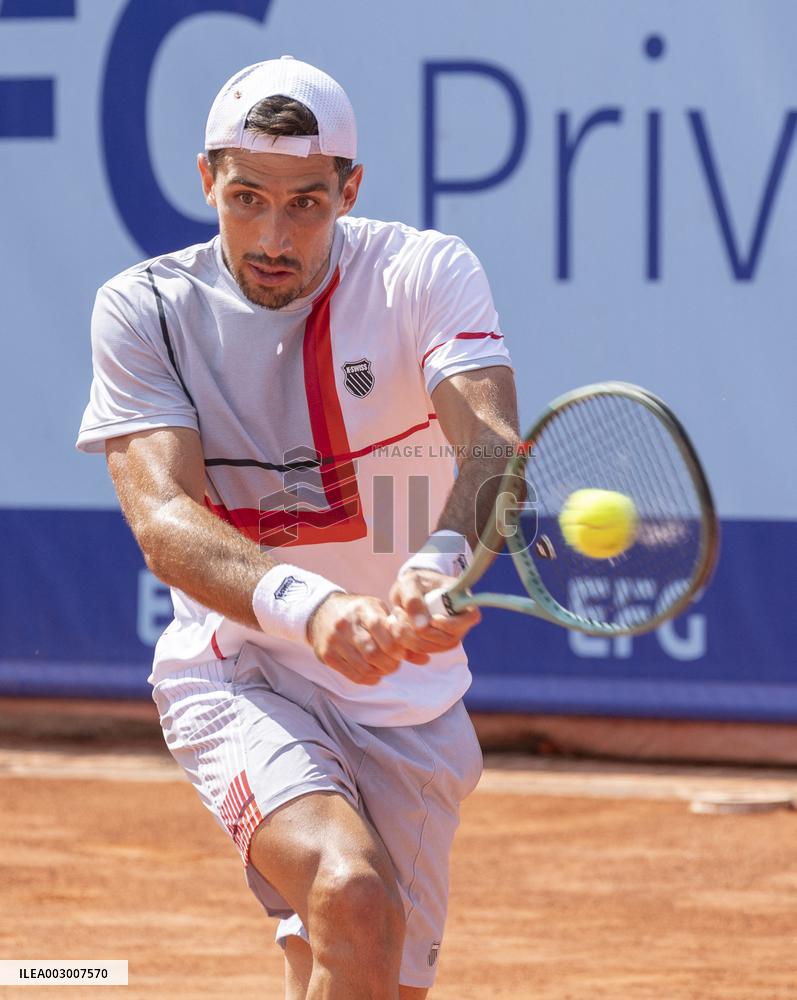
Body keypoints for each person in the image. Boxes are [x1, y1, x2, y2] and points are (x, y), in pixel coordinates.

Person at [77, 56, 519, 1000]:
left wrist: (441, 559)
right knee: (350, 894)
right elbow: (164, 518)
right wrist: (314, 610)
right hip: (241, 666)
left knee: (358, 972)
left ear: (349, 191)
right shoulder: (145, 309)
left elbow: (488, 447)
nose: (272, 237)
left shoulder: (424, 274)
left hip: (409, 703)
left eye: (306, 206)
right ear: (206, 179)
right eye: (245, 199)